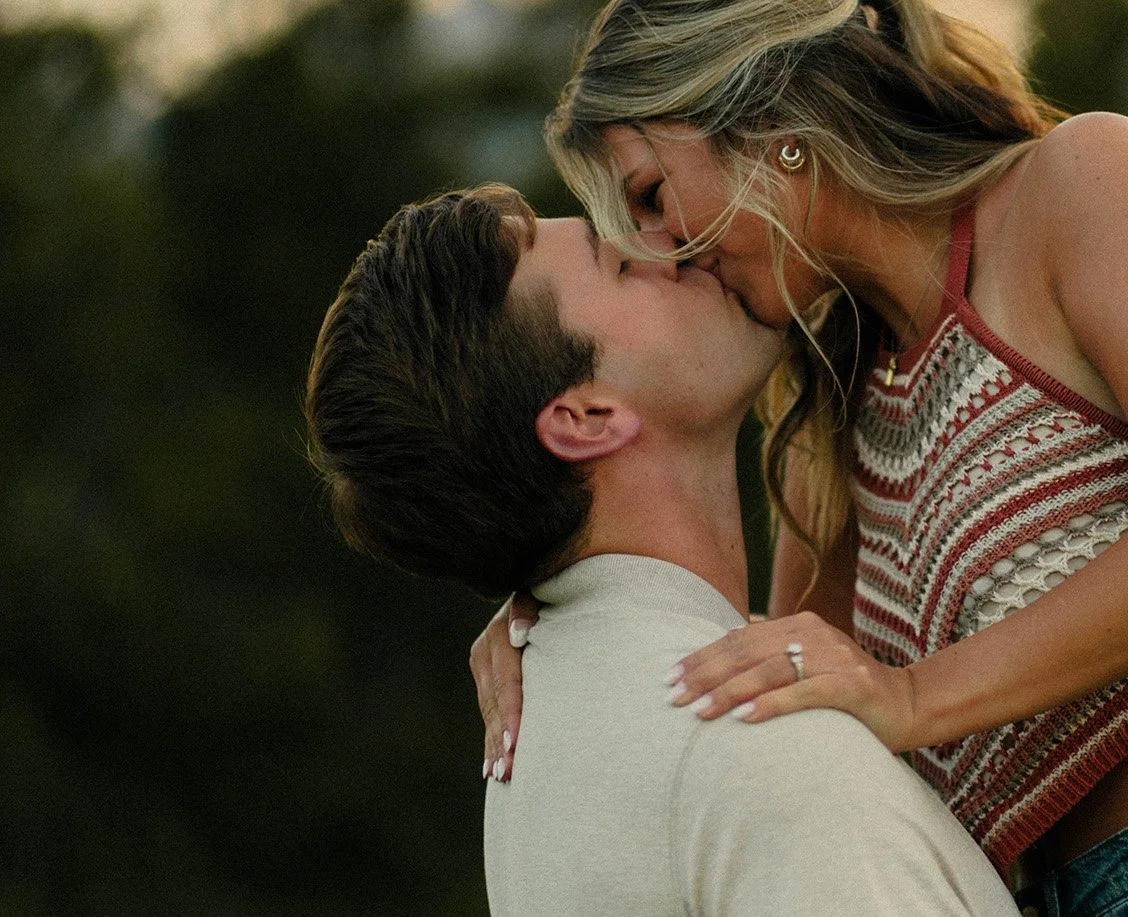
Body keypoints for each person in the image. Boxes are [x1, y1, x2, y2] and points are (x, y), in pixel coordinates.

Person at [473, 0, 1128, 915]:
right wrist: (566, 607)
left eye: (650, 194)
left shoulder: (1076, 186)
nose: (666, 250)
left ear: (761, 114)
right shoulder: (835, 405)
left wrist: (913, 698)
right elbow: (789, 682)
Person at [305, 184, 1018, 916]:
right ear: (586, 419)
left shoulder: (544, 754)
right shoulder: (764, 746)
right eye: (615, 257)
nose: (671, 237)